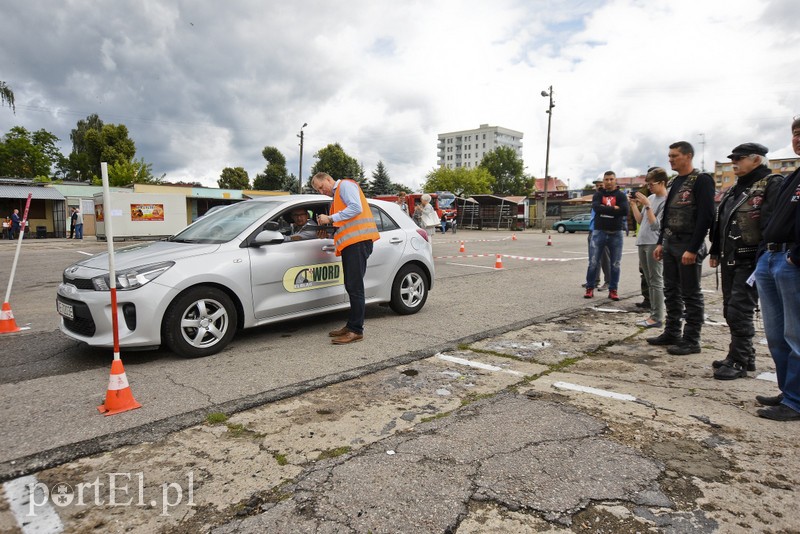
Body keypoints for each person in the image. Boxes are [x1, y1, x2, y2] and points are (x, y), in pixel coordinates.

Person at [708, 143, 783, 380]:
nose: (734, 162)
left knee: (740, 310)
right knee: (730, 308)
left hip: (752, 259)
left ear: (757, 160)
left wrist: (766, 257)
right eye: (733, 159)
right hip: (730, 258)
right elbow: (721, 222)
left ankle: (738, 361)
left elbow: (772, 222)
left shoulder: (772, 184)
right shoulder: (734, 189)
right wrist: (715, 251)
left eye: (740, 158)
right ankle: (744, 355)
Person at [752, 117, 800, 421]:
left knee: (796, 335)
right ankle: (789, 391)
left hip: (792, 262)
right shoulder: (793, 177)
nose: (798, 138)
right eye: (795, 134)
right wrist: (762, 256)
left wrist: (796, 257)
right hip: (771, 259)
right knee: (776, 335)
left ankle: (796, 401)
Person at [647, 141, 715, 355]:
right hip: (671, 243)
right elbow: (667, 214)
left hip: (688, 245)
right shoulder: (676, 182)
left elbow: (706, 216)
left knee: (691, 294)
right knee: (671, 291)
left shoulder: (701, 180)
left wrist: (693, 248)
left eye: (674, 155)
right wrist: (660, 242)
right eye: (669, 155)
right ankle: (672, 332)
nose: (670, 159)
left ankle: (692, 339)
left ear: (688, 156)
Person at [312, 172, 380, 345]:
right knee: (351, 285)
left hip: (358, 243)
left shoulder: (345, 186)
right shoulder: (337, 196)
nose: (321, 192)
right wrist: (328, 226)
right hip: (352, 244)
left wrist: (330, 218)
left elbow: (355, 208)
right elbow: (347, 221)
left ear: (328, 179)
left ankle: (356, 330)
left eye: (321, 187)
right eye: (318, 190)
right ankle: (352, 326)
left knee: (355, 286)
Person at [630, 167, 668, 328]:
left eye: (652, 184)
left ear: (662, 183)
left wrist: (647, 205)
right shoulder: (651, 197)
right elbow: (641, 222)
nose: (649, 187)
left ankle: (657, 316)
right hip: (643, 242)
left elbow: (655, 226)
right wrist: (633, 205)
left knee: (656, 280)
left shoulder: (666, 199)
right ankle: (653, 314)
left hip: (654, 242)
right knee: (648, 279)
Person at [584, 171, 628, 300]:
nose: (608, 182)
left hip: (616, 233)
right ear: (603, 181)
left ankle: (613, 289)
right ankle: (590, 288)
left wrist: (607, 208)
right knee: (593, 262)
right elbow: (597, 208)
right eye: (606, 179)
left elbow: (625, 210)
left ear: (615, 180)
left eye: (611, 179)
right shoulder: (598, 194)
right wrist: (615, 209)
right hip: (599, 232)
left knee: (615, 264)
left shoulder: (621, 195)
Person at [582, 180, 611, 291]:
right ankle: (594, 281)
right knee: (593, 259)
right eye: (597, 186)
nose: (598, 187)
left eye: (601, 185)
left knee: (605, 258)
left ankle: (608, 282)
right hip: (592, 231)